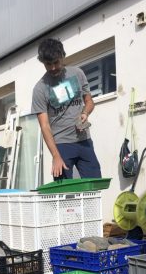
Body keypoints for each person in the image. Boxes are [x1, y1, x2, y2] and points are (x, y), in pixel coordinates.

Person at [31, 38, 102, 179]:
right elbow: (44, 125)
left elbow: (89, 102)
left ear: (62, 57)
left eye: (56, 62)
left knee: (94, 186)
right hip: (62, 145)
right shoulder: (39, 89)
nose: (52, 68)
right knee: (64, 194)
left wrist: (85, 113)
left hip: (84, 141)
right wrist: (55, 156)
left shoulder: (78, 74)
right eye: (48, 64)